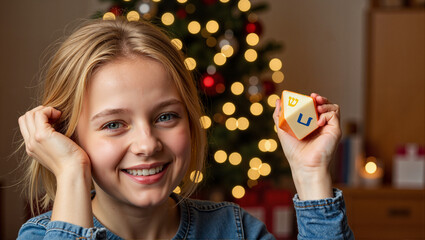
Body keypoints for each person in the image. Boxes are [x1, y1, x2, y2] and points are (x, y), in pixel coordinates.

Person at [17, 19, 354, 240]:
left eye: (165, 117)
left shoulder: (235, 231)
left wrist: (312, 176)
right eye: (114, 124)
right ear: (68, 136)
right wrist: (72, 172)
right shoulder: (40, 234)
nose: (147, 144)